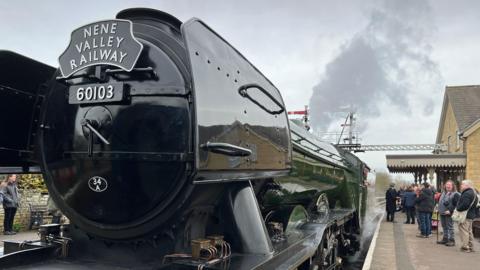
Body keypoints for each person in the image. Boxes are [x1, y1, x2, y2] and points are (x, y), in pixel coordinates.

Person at [455, 179, 478, 252]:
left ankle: (465, 247)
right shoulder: (474, 193)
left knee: (464, 231)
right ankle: (471, 246)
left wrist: (458, 208)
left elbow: (464, 205)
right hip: (470, 215)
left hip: (465, 215)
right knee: (469, 231)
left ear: (467, 185)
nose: (461, 186)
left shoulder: (467, 193)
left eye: (462, 184)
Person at [436, 180, 460, 246]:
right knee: (444, 226)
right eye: (447, 184)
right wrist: (438, 208)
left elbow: (457, 204)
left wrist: (450, 210)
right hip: (442, 212)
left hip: (449, 213)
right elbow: (441, 202)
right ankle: (445, 238)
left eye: (449, 185)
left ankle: (452, 240)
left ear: (453, 186)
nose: (448, 186)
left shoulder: (455, 194)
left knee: (450, 227)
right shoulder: (444, 192)